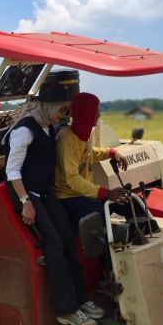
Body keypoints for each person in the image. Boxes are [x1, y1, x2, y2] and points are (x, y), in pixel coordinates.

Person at [4, 99, 105, 325]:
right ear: (48, 106)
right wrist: (25, 203)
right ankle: (66, 310)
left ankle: (80, 299)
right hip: (28, 194)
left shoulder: (47, 126)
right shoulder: (24, 130)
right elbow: (12, 170)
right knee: (54, 245)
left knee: (69, 240)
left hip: (45, 192)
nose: (63, 115)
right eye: (61, 110)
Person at [55, 92, 129, 225]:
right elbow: (72, 178)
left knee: (128, 201)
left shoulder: (84, 134)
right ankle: (106, 243)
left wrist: (111, 153)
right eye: (95, 111)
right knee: (96, 210)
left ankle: (140, 230)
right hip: (69, 197)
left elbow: (88, 153)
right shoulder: (66, 139)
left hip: (84, 193)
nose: (99, 115)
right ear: (85, 113)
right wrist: (104, 192)